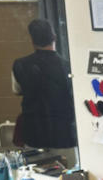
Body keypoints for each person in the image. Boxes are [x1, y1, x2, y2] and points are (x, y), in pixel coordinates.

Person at [11, 18, 78, 166]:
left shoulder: (20, 65)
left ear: (32, 40)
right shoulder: (68, 66)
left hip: (34, 135)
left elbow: (17, 90)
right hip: (64, 135)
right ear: (54, 37)